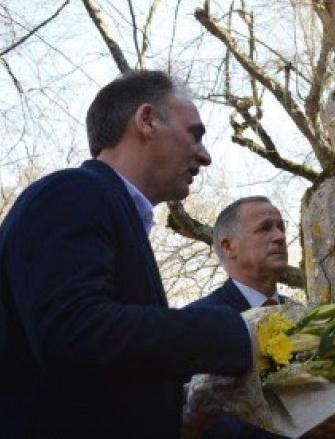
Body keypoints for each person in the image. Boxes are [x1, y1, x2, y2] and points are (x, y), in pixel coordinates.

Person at [0, 70, 255, 439]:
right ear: (147, 120)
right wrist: (239, 331)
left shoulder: (113, 213)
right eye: (195, 134)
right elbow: (76, 332)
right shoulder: (72, 192)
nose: (205, 155)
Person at [189, 196, 335, 439]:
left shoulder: (308, 318)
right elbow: (200, 420)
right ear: (229, 247)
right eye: (265, 228)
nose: (279, 236)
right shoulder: (199, 322)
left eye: (281, 226)